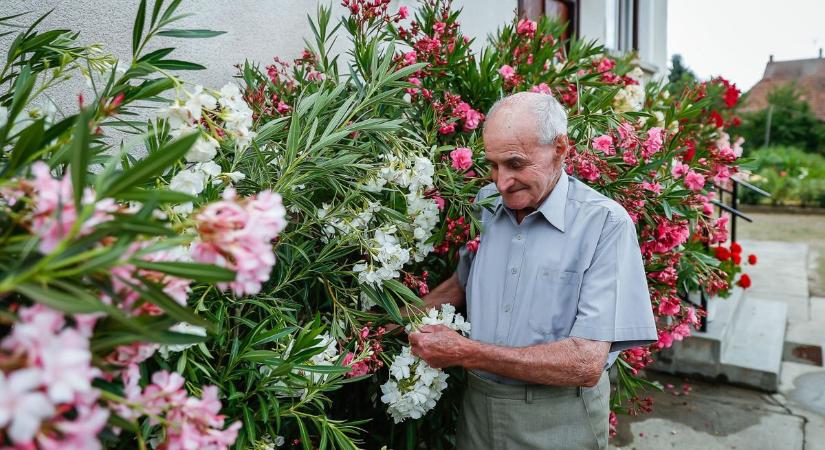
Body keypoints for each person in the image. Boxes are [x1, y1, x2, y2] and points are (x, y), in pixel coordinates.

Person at [407, 92, 658, 449]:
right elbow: (461, 285)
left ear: (560, 148)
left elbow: (586, 363)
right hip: (477, 411)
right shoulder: (485, 204)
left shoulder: (605, 223)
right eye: (493, 165)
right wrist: (390, 319)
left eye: (515, 164)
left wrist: (464, 352)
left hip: (560, 420)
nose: (501, 183)